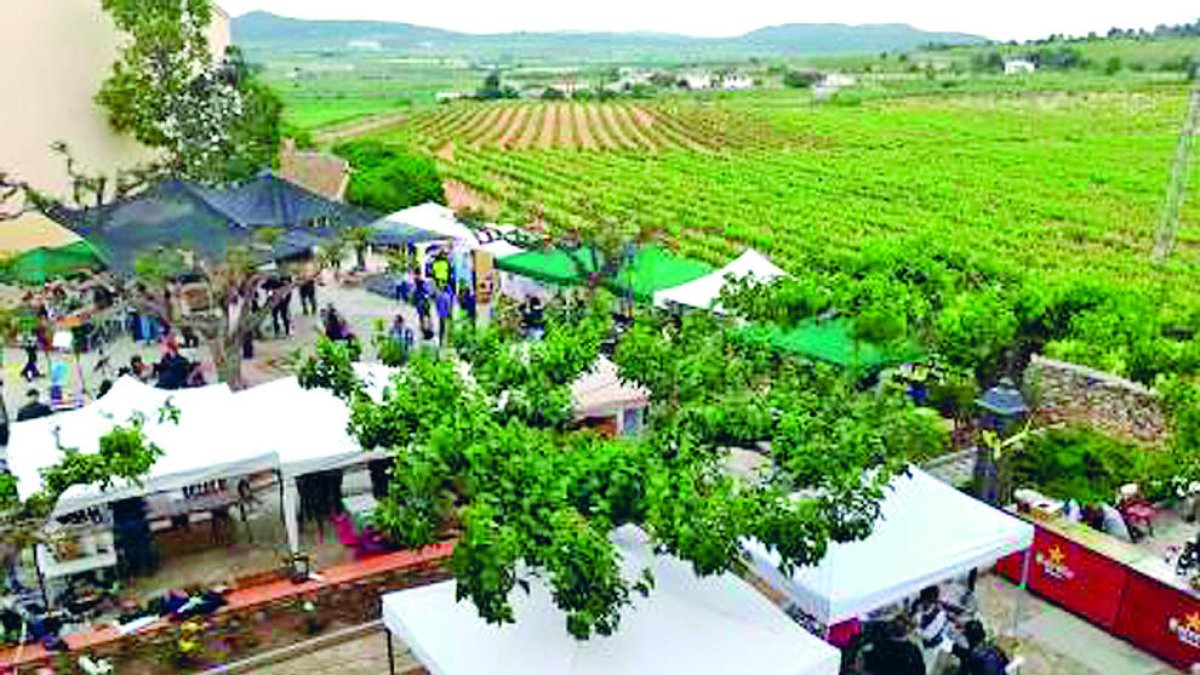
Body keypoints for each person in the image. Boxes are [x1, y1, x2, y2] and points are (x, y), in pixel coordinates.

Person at [413, 277, 433, 341]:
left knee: (423, 319)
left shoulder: (417, 291)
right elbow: (428, 297)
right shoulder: (424, 290)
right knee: (427, 318)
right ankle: (427, 331)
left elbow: (414, 300)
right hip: (424, 307)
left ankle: (426, 331)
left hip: (421, 307)